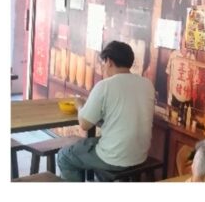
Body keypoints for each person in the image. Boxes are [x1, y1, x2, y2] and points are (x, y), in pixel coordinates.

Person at [58, 41, 155, 182]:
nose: (103, 67)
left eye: (103, 63)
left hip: (114, 158)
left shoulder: (105, 86)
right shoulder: (147, 84)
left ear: (109, 61)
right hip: (139, 155)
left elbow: (85, 125)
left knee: (64, 156)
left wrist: (80, 105)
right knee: (93, 144)